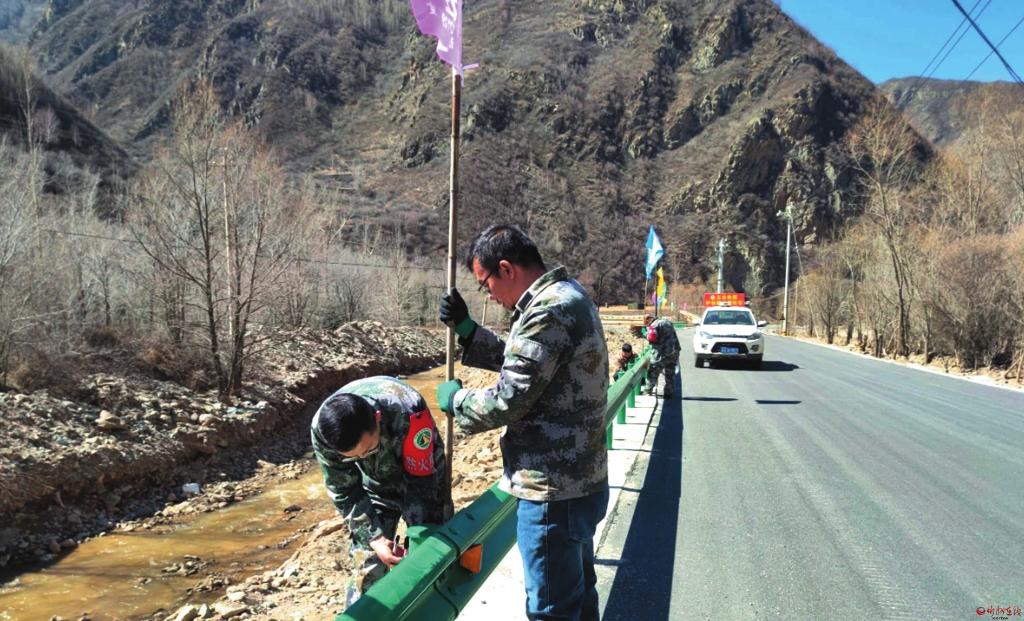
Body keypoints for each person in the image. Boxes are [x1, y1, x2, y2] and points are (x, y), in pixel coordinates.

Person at [435, 224, 609, 621]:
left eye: (486, 284)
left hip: (552, 491)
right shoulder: (566, 295)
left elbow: (509, 397)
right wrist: (469, 331)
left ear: (506, 269)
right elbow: (531, 365)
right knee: (578, 596)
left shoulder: (546, 311)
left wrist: (457, 401)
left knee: (551, 611)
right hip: (580, 480)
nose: (489, 295)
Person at [310, 376, 452, 607]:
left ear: (377, 419)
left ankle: (437, 605)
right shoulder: (323, 432)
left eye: (368, 450)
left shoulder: (408, 411)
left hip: (422, 474)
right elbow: (344, 490)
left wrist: (417, 534)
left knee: (430, 547)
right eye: (353, 458)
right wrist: (374, 537)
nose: (361, 457)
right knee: (368, 563)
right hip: (374, 485)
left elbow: (422, 481)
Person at [643, 314, 680, 398]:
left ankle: (648, 390)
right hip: (674, 351)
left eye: (646, 323)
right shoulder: (668, 322)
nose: (647, 325)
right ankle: (668, 393)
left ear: (648, 319)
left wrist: (645, 334)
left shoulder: (654, 325)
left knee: (653, 371)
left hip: (662, 353)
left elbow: (652, 338)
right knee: (670, 373)